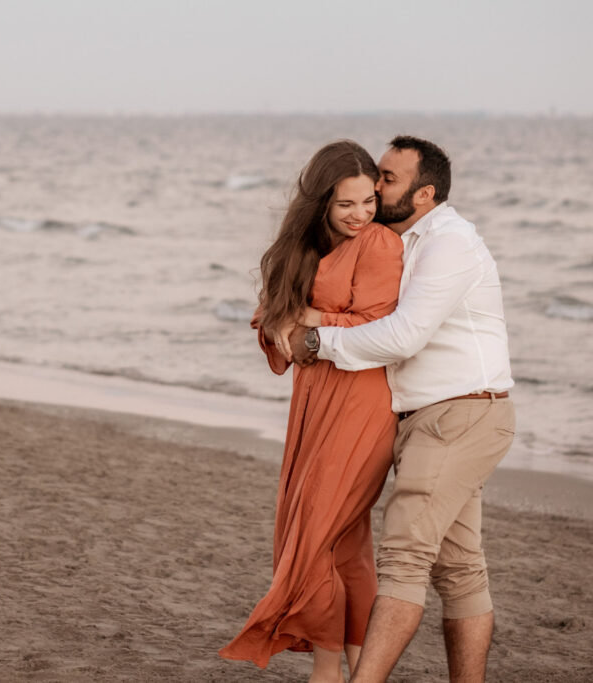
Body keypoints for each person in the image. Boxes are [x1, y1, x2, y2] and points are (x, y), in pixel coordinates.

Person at [287, 136, 515, 683]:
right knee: (459, 570)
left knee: (404, 559)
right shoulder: (394, 239)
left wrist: (318, 342)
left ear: (424, 193)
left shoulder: (449, 243)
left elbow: (404, 335)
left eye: (388, 179)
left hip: (460, 413)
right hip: (429, 419)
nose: (374, 184)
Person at [219, 140, 404, 683]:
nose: (361, 214)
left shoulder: (380, 246)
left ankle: (327, 671)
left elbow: (379, 328)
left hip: (363, 401)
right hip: (314, 400)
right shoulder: (302, 245)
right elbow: (271, 318)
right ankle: (359, 668)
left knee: (318, 536)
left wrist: (311, 317)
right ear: (321, 201)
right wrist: (286, 324)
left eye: (369, 200)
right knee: (343, 543)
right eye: (347, 204)